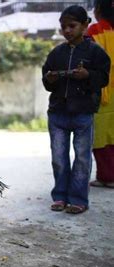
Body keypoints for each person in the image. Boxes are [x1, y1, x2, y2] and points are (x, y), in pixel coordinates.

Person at [42, 5, 110, 214]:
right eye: (64, 27)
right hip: (58, 113)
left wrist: (88, 75)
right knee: (59, 158)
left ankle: (79, 199)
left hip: (83, 113)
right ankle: (60, 196)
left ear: (85, 25)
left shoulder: (96, 52)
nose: (67, 31)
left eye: (72, 26)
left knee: (82, 158)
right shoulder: (57, 53)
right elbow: (46, 80)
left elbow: (103, 79)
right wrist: (49, 78)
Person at [87, 0, 114, 188]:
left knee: (100, 136)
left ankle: (107, 176)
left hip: (103, 92)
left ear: (97, 11)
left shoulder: (95, 31)